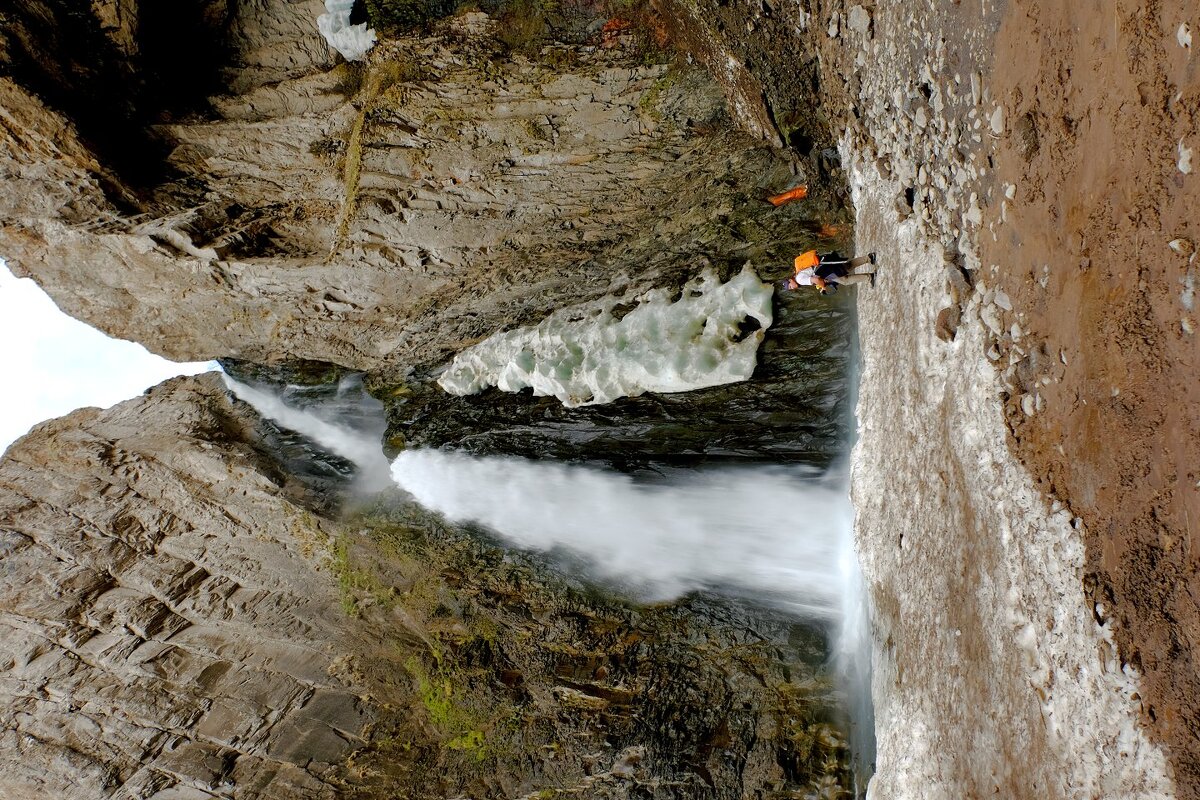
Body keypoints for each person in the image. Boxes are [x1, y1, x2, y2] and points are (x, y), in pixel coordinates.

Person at [782, 250, 877, 293]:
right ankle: (868, 260)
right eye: (790, 288)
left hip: (826, 270)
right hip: (825, 267)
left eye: (790, 286)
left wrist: (823, 287)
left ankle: (870, 274)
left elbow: (816, 280)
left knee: (846, 275)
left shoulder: (799, 279)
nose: (792, 288)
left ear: (791, 280)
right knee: (846, 271)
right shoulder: (798, 274)